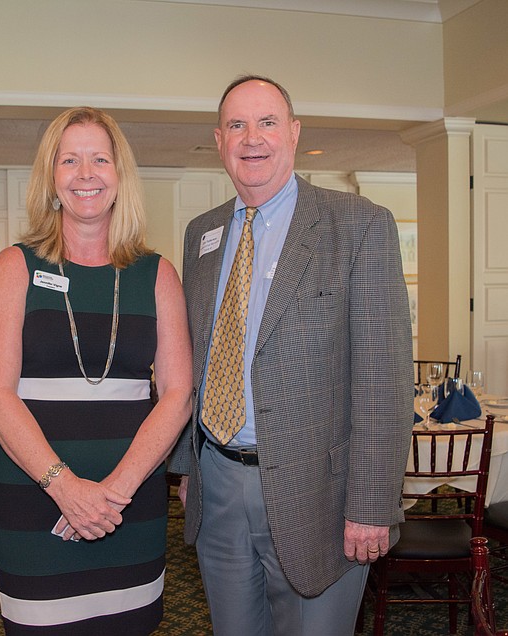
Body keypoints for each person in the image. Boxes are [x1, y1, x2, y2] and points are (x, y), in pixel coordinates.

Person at [169, 75, 413, 635]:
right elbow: (196, 356)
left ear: (295, 133)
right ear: (218, 139)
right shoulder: (200, 234)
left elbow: (383, 378)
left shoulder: (356, 223)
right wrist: (187, 468)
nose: (252, 138)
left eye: (267, 122)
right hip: (218, 484)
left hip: (321, 497)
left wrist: (373, 504)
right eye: (236, 125)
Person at [0, 106, 192, 634]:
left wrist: (115, 491)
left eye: (99, 158)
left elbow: (178, 393)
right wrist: (66, 488)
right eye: (69, 160)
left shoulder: (157, 274)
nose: (85, 173)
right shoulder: (15, 266)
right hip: (35, 497)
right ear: (51, 178)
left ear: (120, 177)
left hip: (131, 502)